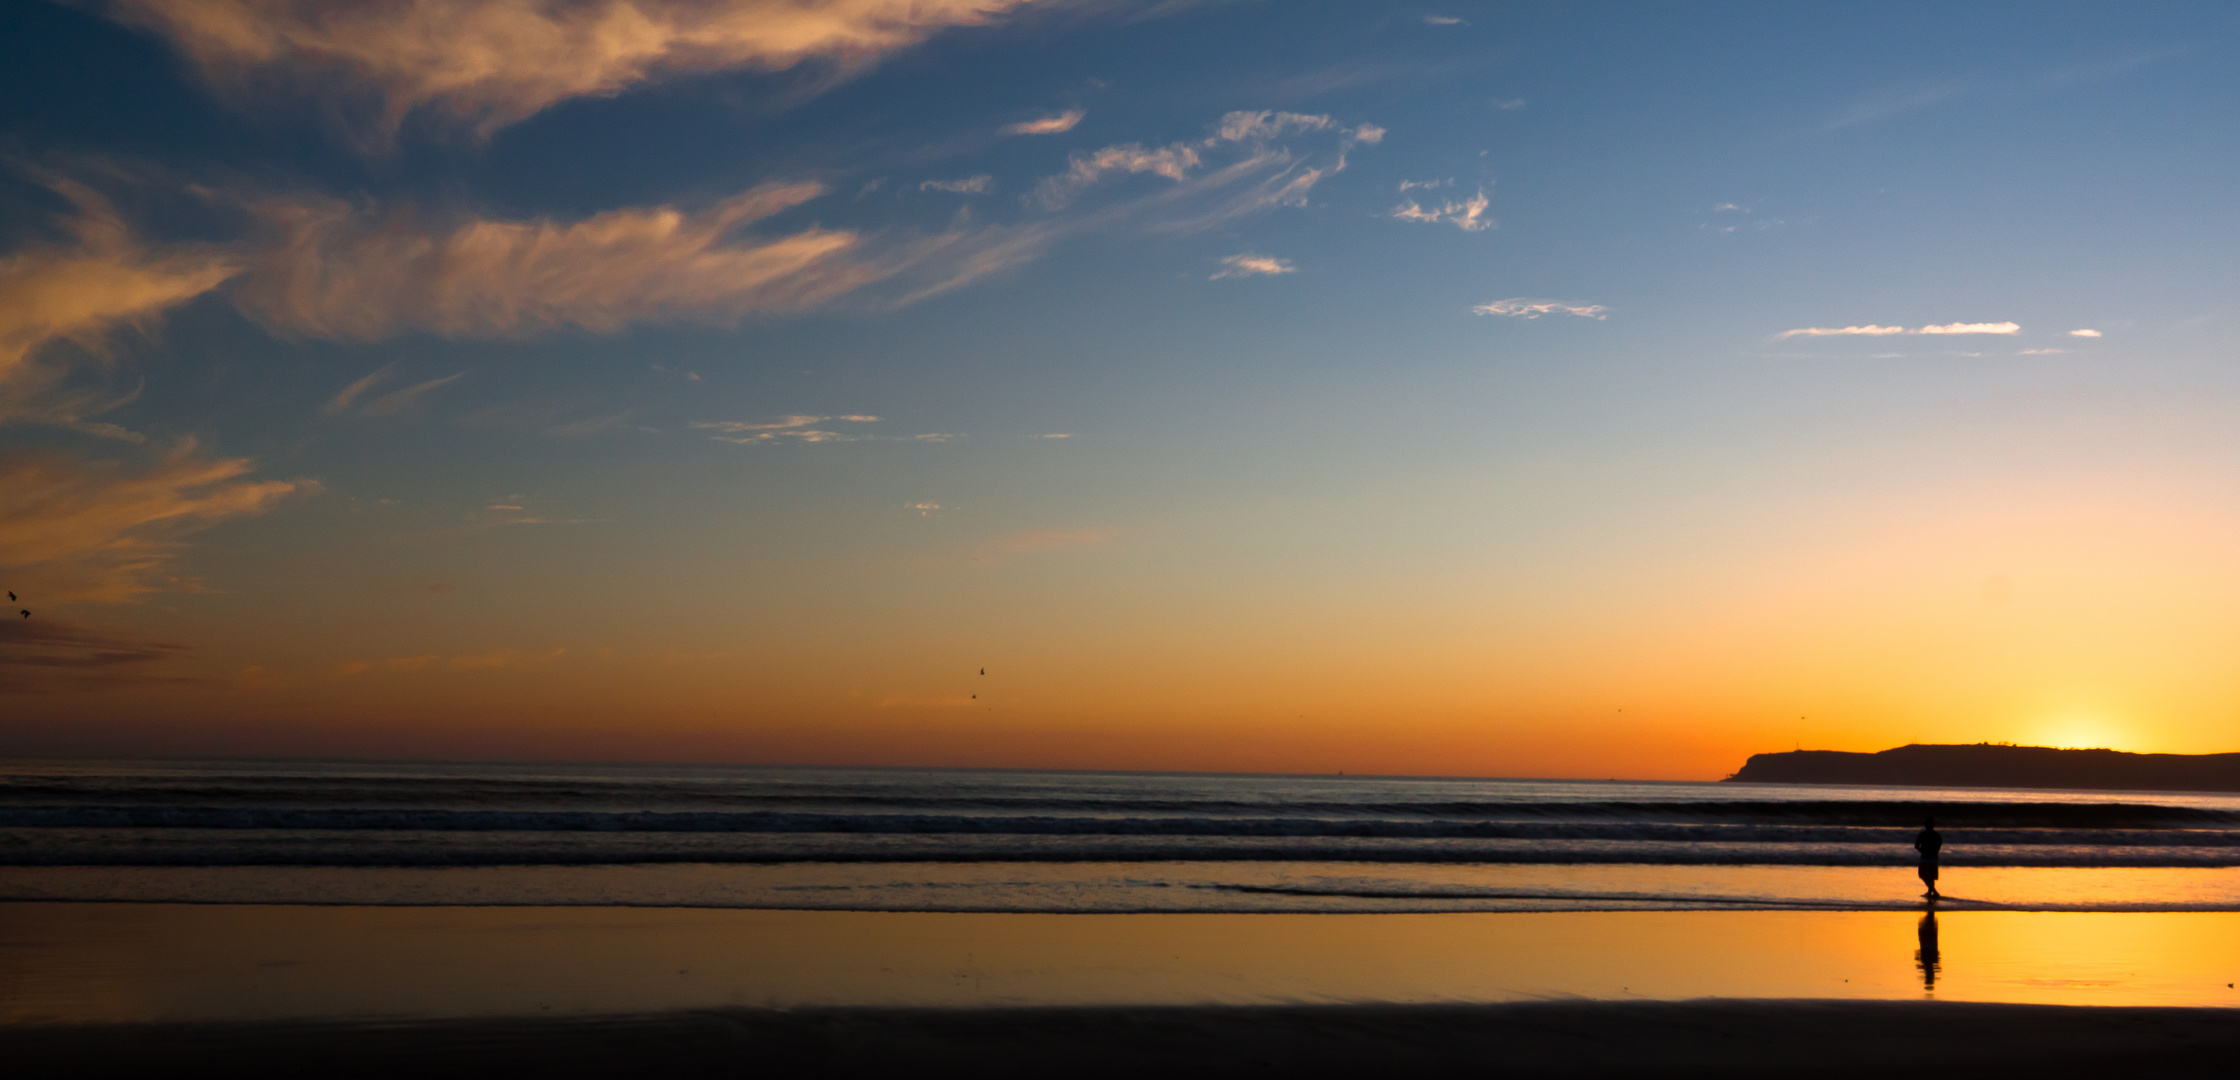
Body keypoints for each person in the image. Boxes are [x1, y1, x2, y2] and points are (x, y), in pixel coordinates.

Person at [1914, 816, 1943, 901]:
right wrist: (1934, 852)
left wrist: (1922, 850)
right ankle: (1930, 891)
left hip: (1925, 858)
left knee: (1923, 875)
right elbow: (1938, 846)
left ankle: (1934, 891)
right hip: (1933, 858)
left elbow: (1916, 845)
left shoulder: (1923, 834)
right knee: (1931, 876)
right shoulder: (1937, 835)